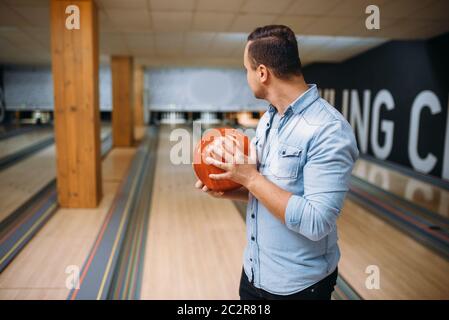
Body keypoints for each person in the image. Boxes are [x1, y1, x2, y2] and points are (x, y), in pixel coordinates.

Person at [195, 25, 359, 300]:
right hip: (255, 273)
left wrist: (249, 177)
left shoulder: (328, 130)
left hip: (299, 286)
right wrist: (226, 190)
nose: (246, 76)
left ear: (262, 73)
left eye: (246, 69)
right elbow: (269, 192)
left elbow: (317, 222)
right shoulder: (270, 120)